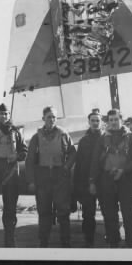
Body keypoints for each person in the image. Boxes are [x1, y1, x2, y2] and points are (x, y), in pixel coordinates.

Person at [89, 109, 132, 248]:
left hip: (126, 180)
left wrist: (124, 170)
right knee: (109, 214)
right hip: (107, 180)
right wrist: (92, 181)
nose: (113, 122)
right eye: (111, 120)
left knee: (129, 214)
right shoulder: (102, 139)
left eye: (116, 119)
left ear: (121, 120)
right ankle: (113, 242)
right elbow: (95, 161)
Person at [25, 106, 76, 247]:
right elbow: (29, 160)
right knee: (44, 212)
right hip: (43, 177)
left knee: (63, 212)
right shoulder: (36, 137)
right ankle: (44, 242)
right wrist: (31, 181)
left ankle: (66, 242)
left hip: (60, 176)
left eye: (54, 117)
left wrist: (66, 167)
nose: (52, 119)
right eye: (49, 117)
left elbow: (72, 152)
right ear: (43, 119)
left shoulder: (63, 134)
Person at [0, 103, 28, 247]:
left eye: (6, 114)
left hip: (11, 174)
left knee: (10, 209)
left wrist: (17, 157)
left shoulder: (16, 132)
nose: (4, 116)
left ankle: (10, 238)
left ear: (9, 116)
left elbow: (24, 151)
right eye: (1, 113)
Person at [73, 108, 103, 247]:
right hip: (86, 182)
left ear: (101, 122)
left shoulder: (106, 138)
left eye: (97, 120)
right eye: (93, 121)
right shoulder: (83, 141)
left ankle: (111, 238)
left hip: (104, 181)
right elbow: (79, 165)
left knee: (109, 212)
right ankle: (88, 240)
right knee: (88, 214)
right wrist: (78, 186)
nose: (95, 123)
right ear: (89, 122)